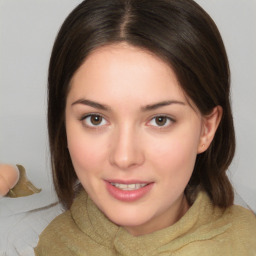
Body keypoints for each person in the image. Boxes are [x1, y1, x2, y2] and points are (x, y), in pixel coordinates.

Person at [34, 0, 256, 255]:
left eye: (160, 120)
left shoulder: (248, 243)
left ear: (206, 129)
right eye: (95, 119)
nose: (124, 157)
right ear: (62, 124)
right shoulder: (51, 244)